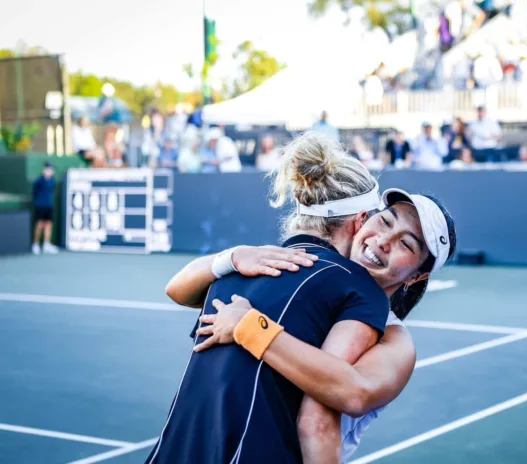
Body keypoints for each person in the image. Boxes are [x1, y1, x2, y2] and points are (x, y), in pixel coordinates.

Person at [147, 133, 455, 463]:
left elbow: (354, 392)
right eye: (385, 220)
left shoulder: (391, 337)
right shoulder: (269, 266)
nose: (383, 241)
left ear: (418, 276)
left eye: (406, 244)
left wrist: (251, 327)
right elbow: (315, 423)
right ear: (361, 220)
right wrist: (232, 257)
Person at [31, 162, 59, 255]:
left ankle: (46, 244)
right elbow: (35, 193)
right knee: (40, 225)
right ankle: (35, 244)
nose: (49, 171)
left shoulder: (52, 181)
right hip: (40, 206)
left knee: (48, 224)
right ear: (44, 170)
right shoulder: (39, 181)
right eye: (47, 169)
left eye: (51, 170)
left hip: (49, 206)